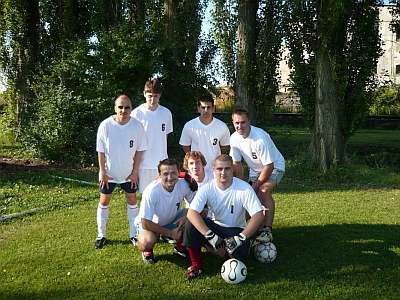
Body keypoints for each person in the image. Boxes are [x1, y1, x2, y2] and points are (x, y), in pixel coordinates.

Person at [182, 154, 264, 280]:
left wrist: (240, 238)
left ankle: (220, 250)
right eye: (219, 169)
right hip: (215, 228)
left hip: (235, 230)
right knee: (191, 222)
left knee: (240, 254)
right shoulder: (207, 188)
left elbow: (258, 215)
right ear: (214, 170)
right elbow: (191, 213)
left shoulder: (244, 188)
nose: (223, 172)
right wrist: (210, 235)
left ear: (232, 169)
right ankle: (196, 265)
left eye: (227, 168)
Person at [95, 94, 147, 249]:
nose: (123, 110)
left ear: (131, 109)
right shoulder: (105, 125)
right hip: (109, 174)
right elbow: (101, 151)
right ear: (115, 108)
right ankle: (101, 235)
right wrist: (102, 171)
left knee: (132, 201)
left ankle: (134, 235)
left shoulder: (137, 126)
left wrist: (135, 172)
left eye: (127, 107)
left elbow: (139, 150)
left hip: (128, 174)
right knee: (104, 202)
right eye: (120, 107)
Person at [230, 108, 285, 243]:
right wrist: (240, 184)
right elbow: (237, 164)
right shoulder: (234, 138)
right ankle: (248, 228)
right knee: (246, 198)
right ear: (232, 123)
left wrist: (255, 185)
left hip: (275, 168)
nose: (239, 126)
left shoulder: (260, 138)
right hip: (255, 171)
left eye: (243, 122)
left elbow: (269, 166)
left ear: (249, 121)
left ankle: (267, 230)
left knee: (263, 191)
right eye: (236, 123)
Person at [135, 159, 195, 264]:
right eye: (165, 174)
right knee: (146, 242)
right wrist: (171, 233)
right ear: (159, 175)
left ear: (178, 173)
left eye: (173, 173)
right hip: (150, 225)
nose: (170, 177)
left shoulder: (183, 184)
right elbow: (145, 223)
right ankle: (148, 251)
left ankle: (180, 247)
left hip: (171, 220)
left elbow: (196, 207)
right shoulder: (151, 191)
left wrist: (186, 218)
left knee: (193, 215)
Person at [131, 78, 173, 193]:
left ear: (160, 95)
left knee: (163, 195)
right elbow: (133, 141)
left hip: (162, 164)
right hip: (143, 165)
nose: (152, 99)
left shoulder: (166, 113)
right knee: (146, 197)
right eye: (150, 95)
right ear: (144, 94)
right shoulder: (136, 114)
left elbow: (165, 137)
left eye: (155, 96)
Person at [179, 93, 230, 171]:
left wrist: (217, 159)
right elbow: (185, 146)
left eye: (208, 107)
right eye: (203, 107)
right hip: (196, 168)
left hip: (215, 168)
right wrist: (193, 158)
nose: (206, 110)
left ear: (213, 108)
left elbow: (225, 147)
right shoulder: (189, 125)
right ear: (198, 109)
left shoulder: (222, 126)